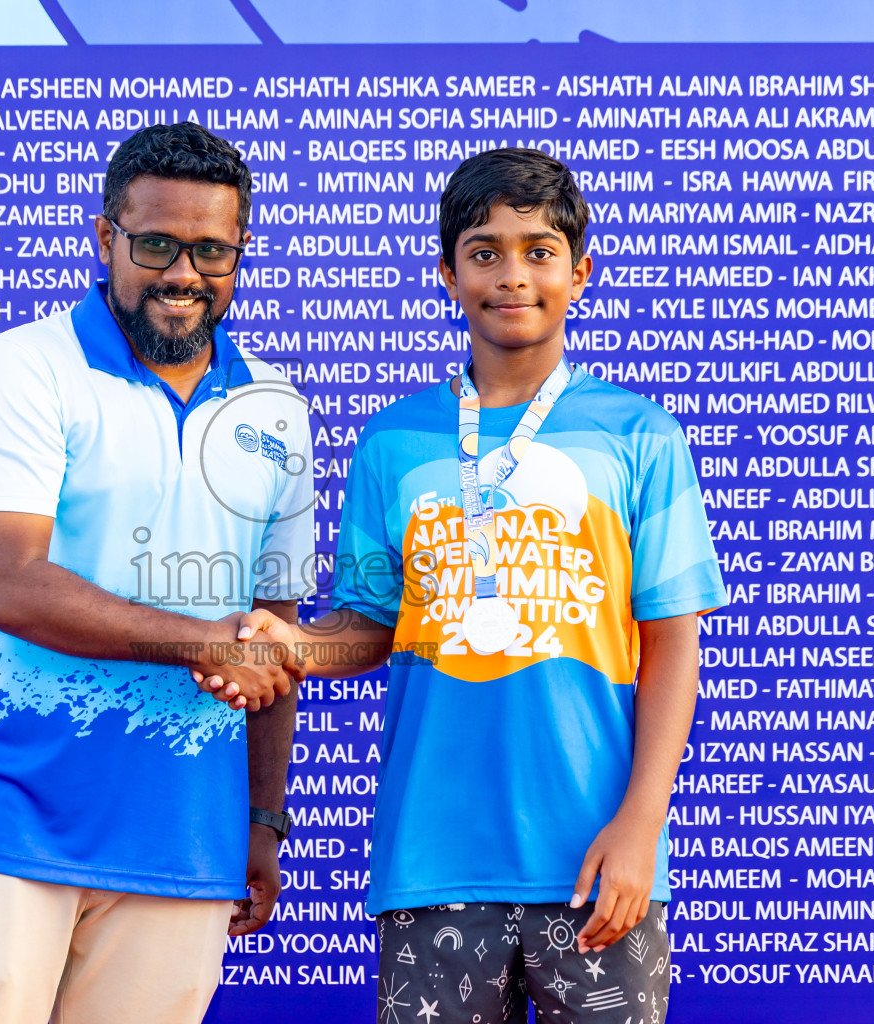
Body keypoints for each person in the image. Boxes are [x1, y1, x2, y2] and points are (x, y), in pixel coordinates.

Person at [199, 148, 727, 1022]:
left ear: (580, 271)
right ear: (447, 274)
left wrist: (642, 827)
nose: (512, 276)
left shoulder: (641, 435)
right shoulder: (395, 441)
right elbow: (371, 623)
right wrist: (298, 645)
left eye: (539, 250)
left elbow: (672, 642)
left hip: (597, 862)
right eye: (484, 252)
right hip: (432, 858)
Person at [0, 122, 316, 1024]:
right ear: (107, 239)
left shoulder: (276, 410)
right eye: (158, 245)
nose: (183, 275)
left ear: (240, 250)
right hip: (11, 823)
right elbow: (5, 583)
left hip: (186, 837)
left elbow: (271, 635)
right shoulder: (24, 370)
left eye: (211, 250)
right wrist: (198, 640)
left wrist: (262, 820)